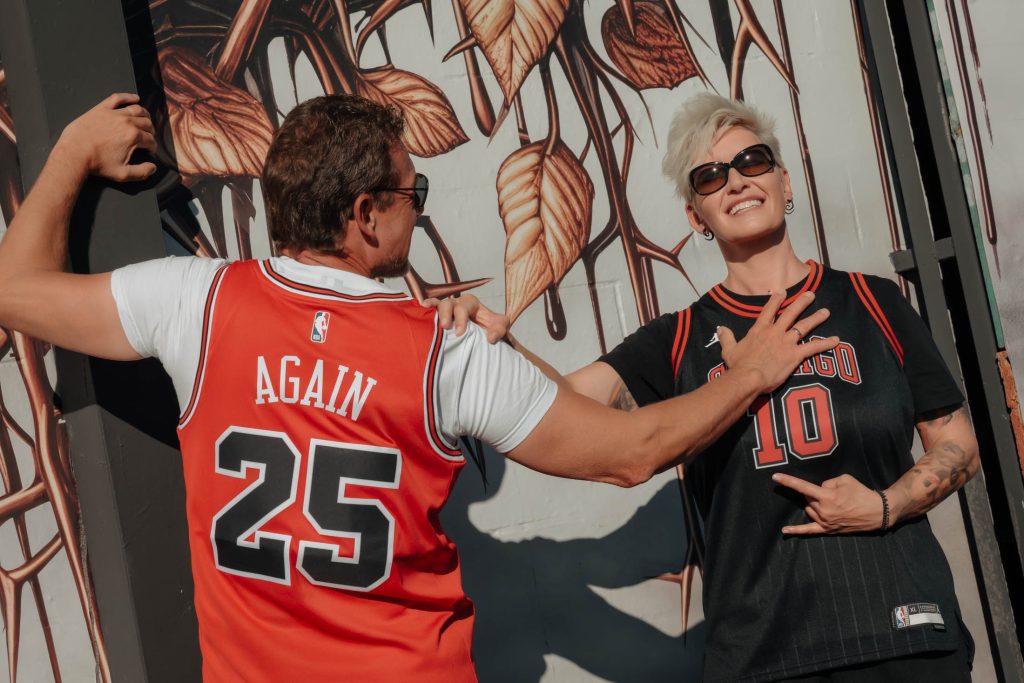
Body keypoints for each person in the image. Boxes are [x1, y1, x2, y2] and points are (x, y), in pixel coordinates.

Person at [0, 93, 836, 682]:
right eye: (412, 193)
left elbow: (14, 286)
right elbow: (630, 454)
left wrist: (74, 150)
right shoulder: (444, 351)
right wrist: (755, 372)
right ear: (365, 215)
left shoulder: (198, 301)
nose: (420, 212)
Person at [453, 93, 980, 682]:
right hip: (766, 657)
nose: (735, 181)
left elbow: (957, 443)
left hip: (905, 637)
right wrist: (500, 340)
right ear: (695, 215)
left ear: (784, 181)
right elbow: (566, 403)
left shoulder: (873, 302)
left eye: (752, 161)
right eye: (710, 176)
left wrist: (883, 507)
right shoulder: (680, 340)